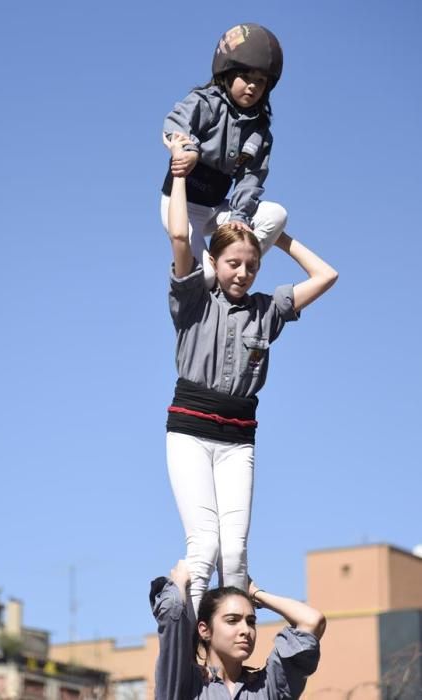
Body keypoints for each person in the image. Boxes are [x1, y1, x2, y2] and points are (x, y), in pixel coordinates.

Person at [164, 133, 338, 619]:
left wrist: (275, 238)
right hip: (190, 432)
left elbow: (326, 276)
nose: (242, 273)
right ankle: (194, 648)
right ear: (215, 263)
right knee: (204, 546)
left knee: (236, 554)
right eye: (233, 264)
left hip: (239, 439)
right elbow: (181, 237)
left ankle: (233, 651)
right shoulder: (194, 298)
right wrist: (180, 176)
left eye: (251, 265)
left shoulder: (267, 310)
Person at [161, 22, 288, 287]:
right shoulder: (205, 102)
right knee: (204, 276)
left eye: (261, 81)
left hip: (218, 209)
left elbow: (250, 179)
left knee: (276, 214)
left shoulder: (260, 131)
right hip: (183, 208)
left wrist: (240, 218)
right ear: (227, 73)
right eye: (246, 77)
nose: (253, 86)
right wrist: (189, 150)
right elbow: (174, 125)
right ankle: (209, 279)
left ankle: (228, 268)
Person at [150, 559, 326, 699]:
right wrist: (180, 583)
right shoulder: (185, 685)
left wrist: (256, 594)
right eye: (232, 620)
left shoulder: (267, 688)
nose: (246, 630)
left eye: (250, 621)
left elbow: (312, 621)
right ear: (204, 630)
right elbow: (173, 613)